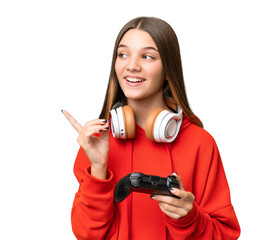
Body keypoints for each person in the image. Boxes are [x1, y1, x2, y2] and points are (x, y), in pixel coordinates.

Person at [62, 16, 240, 240]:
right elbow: (86, 234)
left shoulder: (200, 142)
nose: (132, 66)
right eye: (123, 54)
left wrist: (189, 218)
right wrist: (98, 168)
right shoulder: (97, 142)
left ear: (168, 70)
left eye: (147, 56)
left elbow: (225, 234)